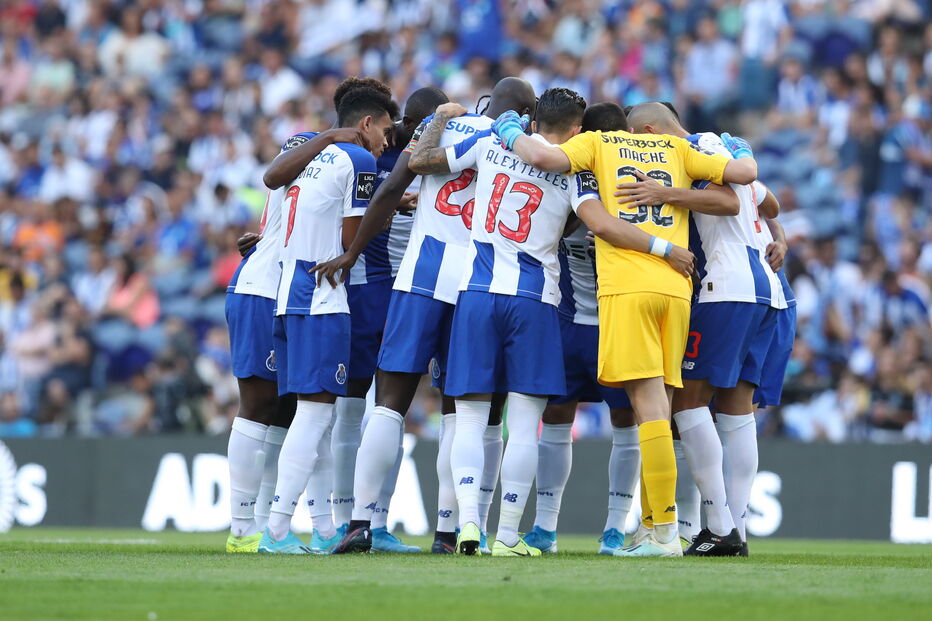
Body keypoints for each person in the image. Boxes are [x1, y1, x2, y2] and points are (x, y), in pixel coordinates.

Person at [409, 91, 696, 556]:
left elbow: (420, 161)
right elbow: (601, 225)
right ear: (577, 130)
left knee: (471, 419)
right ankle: (507, 537)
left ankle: (467, 524)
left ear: (534, 118)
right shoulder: (576, 175)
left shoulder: (490, 145)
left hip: (477, 295)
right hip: (535, 302)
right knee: (525, 426)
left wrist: (440, 119)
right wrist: (664, 248)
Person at [493, 101, 758, 557]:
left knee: (648, 407)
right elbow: (743, 177)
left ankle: (664, 534)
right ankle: (655, 526)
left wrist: (510, 130)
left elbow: (542, 158)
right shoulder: (674, 148)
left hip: (628, 288)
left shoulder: (596, 144)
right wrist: (739, 148)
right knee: (660, 407)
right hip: (676, 289)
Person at [315, 77, 538, 555]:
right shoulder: (519, 144)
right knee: (463, 414)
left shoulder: (446, 129)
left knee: (388, 403)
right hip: (476, 285)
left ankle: (358, 524)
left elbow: (393, 185)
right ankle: (447, 531)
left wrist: (353, 253)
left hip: (419, 277)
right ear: (523, 109)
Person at [624, 102, 785, 556]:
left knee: (688, 404)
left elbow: (727, 199)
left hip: (727, 287)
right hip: (765, 290)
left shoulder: (691, 152)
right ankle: (736, 530)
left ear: (651, 130)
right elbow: (766, 200)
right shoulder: (725, 147)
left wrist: (666, 194)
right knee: (737, 414)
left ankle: (717, 526)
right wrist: (780, 235)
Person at [224, 80, 376, 554]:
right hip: (268, 286)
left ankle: (316, 524)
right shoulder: (320, 151)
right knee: (264, 411)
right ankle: (247, 528)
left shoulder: (317, 155)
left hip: (281, 283)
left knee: (297, 417)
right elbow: (276, 182)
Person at [259, 86, 394, 554]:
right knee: (316, 416)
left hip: (287, 291)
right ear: (367, 124)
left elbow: (272, 177)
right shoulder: (359, 162)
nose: (386, 143)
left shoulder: (312, 155)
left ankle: (320, 525)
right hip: (322, 294)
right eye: (385, 131)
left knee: (309, 416)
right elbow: (350, 237)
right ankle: (275, 529)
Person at [519, 103, 638, 556]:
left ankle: (595, 528)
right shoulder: (569, 183)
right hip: (585, 324)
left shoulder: (627, 189)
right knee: (584, 421)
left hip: (597, 323)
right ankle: (568, 529)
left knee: (589, 420)